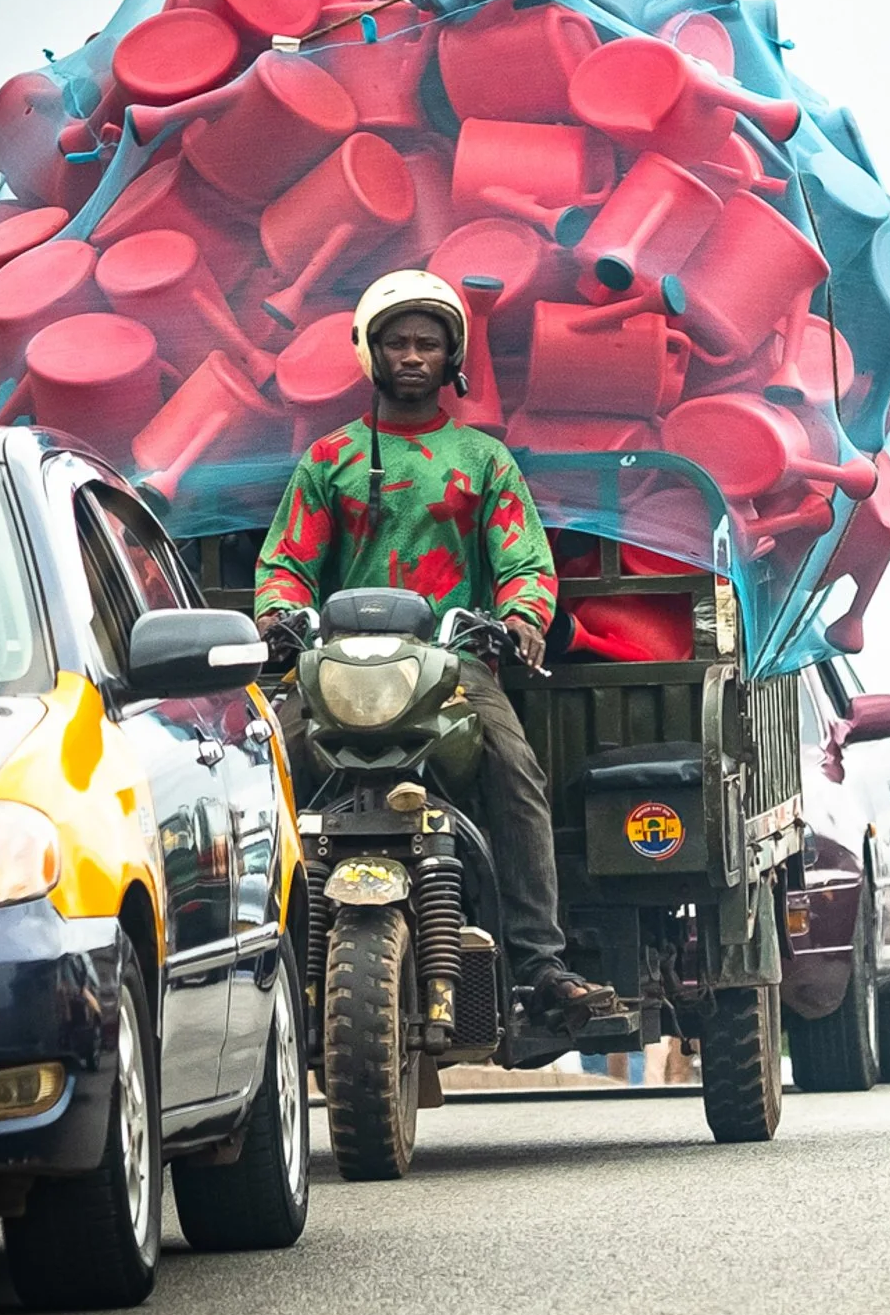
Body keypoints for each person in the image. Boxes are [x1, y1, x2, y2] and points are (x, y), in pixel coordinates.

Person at [253, 269, 617, 1035]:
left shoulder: (482, 460)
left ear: (452, 357)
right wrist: (281, 615)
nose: (412, 355)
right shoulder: (329, 459)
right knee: (263, 768)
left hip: (453, 666)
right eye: (397, 342)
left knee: (516, 770)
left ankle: (541, 960)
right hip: (335, 671)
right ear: (370, 352)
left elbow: (524, 562)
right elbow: (287, 562)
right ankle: (255, 950)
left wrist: (519, 618)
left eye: (428, 343)